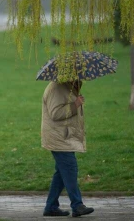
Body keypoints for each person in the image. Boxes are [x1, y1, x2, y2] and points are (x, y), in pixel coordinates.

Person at [41, 80, 94, 217]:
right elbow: (55, 114)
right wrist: (75, 104)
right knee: (70, 168)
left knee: (61, 173)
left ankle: (51, 206)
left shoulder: (68, 86)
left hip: (65, 135)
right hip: (59, 137)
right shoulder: (57, 87)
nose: (79, 74)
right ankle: (77, 205)